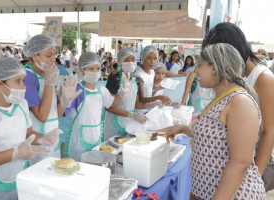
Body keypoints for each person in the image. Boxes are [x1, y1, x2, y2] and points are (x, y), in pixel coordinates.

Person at [160, 43, 266, 199]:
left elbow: (240, 162)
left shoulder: (240, 102)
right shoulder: (220, 98)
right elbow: (215, 135)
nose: (196, 70)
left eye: (200, 65)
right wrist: (182, 128)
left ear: (214, 68)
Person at [0, 57, 60, 200]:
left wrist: (43, 138)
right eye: (18, 81)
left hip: (19, 174)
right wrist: (15, 153)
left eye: (23, 80)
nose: (24, 87)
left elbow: (27, 133)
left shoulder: (21, 104)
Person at [202, 22, 274, 178]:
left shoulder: (263, 78)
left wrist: (256, 176)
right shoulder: (228, 76)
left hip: (250, 164)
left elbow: (269, 132)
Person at [60, 52, 126, 161]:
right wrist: (65, 100)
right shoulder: (77, 90)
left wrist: (122, 93)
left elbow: (111, 104)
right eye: (91, 69)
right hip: (78, 139)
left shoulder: (101, 89)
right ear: (81, 70)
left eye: (97, 68)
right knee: (78, 165)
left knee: (95, 163)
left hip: (96, 136)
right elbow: (63, 112)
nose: (95, 72)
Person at [22, 35, 73, 165]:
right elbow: (42, 116)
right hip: (38, 140)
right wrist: (49, 84)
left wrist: (64, 101)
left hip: (52, 137)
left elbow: (57, 114)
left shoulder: (48, 75)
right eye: (48, 55)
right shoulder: (29, 77)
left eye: (54, 55)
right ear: (34, 56)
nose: (53, 60)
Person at [105, 48, 156, 140]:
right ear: (120, 62)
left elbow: (136, 103)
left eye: (133, 59)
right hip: (114, 123)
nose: (130, 62)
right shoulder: (113, 79)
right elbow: (109, 107)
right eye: (126, 60)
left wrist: (151, 105)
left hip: (130, 123)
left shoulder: (135, 79)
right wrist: (130, 114)